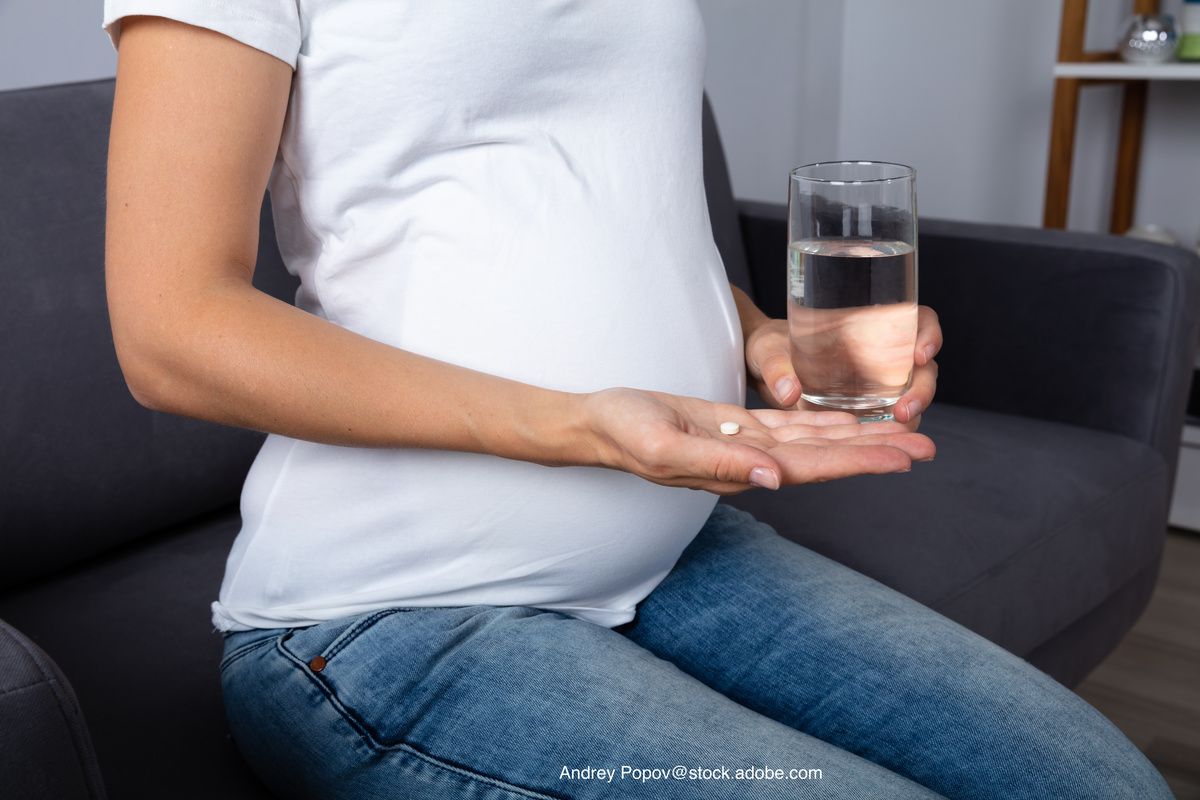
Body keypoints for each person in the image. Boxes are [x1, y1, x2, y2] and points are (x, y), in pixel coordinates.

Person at [100, 3, 1172, 798]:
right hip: (393, 613)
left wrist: (755, 330)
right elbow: (172, 330)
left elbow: (610, 210)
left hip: (672, 548)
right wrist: (577, 425)